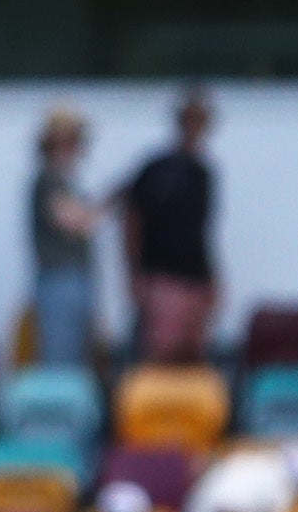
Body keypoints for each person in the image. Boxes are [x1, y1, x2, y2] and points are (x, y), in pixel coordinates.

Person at [117, 90, 221, 368]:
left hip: (195, 277)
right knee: (161, 355)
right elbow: (131, 220)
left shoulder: (203, 173)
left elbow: (203, 231)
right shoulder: (157, 169)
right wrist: (134, 273)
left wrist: (213, 277)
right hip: (162, 278)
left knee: (194, 356)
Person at [26, 110, 102, 374]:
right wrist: (103, 207)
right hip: (59, 280)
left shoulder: (64, 182)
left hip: (72, 278)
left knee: (77, 361)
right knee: (60, 362)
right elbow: (73, 221)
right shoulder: (48, 179)